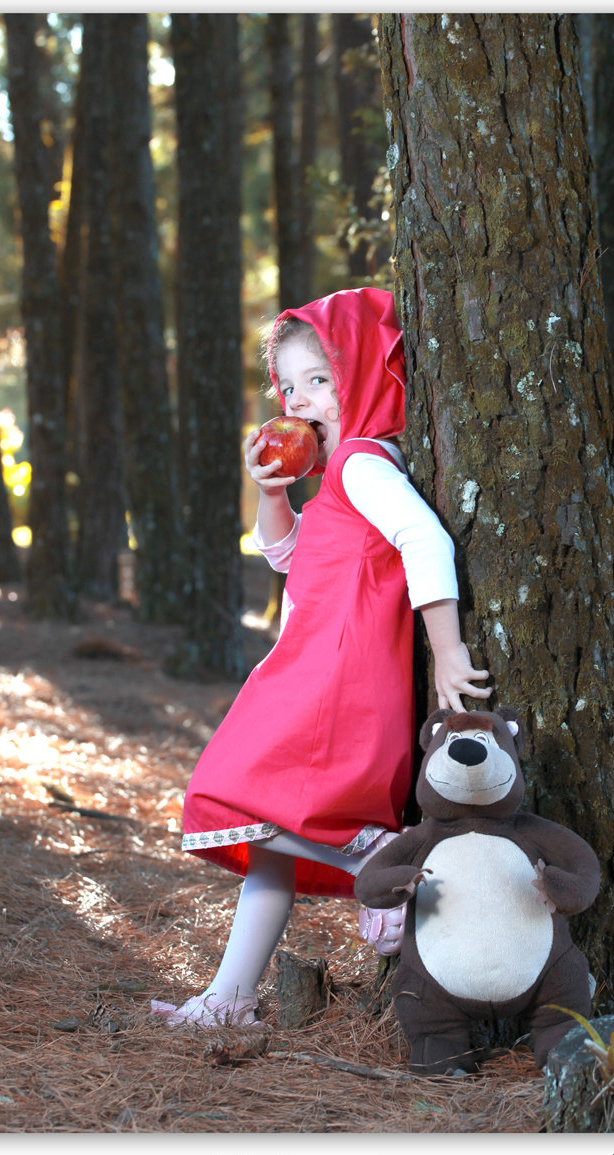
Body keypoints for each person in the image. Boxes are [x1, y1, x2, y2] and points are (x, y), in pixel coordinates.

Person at [151, 288, 490, 1028]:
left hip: (334, 678)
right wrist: (272, 491)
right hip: (312, 667)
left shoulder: (365, 464)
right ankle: (230, 998)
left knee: (230, 793)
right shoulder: (338, 470)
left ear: (364, 376)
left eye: (322, 381)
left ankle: (381, 865)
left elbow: (425, 543)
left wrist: (448, 652)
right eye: (290, 385)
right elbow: (289, 555)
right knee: (270, 843)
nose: (301, 400)